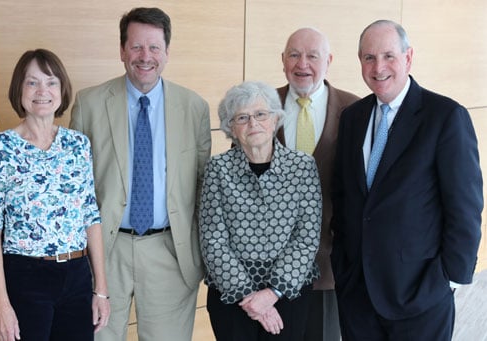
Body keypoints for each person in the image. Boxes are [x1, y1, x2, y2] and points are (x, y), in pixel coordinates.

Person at [331, 20, 482, 340]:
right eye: (368, 57)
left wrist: (448, 280)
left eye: (388, 56)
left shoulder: (445, 117)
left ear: (408, 57)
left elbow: (465, 207)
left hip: (421, 295)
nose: (378, 67)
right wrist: (343, 267)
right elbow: (344, 196)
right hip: (358, 294)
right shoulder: (353, 118)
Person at [69, 7, 211, 341]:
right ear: (122, 51)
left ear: (167, 53)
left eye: (154, 48)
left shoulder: (194, 107)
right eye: (136, 47)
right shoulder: (88, 104)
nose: (145, 57)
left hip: (170, 250)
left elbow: (205, 186)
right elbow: (75, 189)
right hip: (105, 250)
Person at [0, 49, 109, 341]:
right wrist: (0, 304)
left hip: (76, 275)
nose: (42, 91)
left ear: (62, 89)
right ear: (18, 90)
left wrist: (101, 289)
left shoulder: (77, 144)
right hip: (25, 278)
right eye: (32, 82)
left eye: (50, 82)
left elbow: (91, 215)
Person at [200, 81, 322, 340]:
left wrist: (272, 294)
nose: (253, 124)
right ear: (230, 127)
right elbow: (213, 241)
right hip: (231, 294)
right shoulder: (218, 169)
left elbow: (306, 238)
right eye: (242, 117)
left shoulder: (302, 167)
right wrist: (248, 296)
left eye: (260, 114)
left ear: (275, 118)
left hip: (288, 294)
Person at [277, 27, 359, 341]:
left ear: (329, 61)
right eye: (294, 54)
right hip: (270, 271)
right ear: (282, 60)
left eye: (313, 56)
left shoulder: (356, 111)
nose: (303, 64)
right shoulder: (260, 107)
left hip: (331, 270)